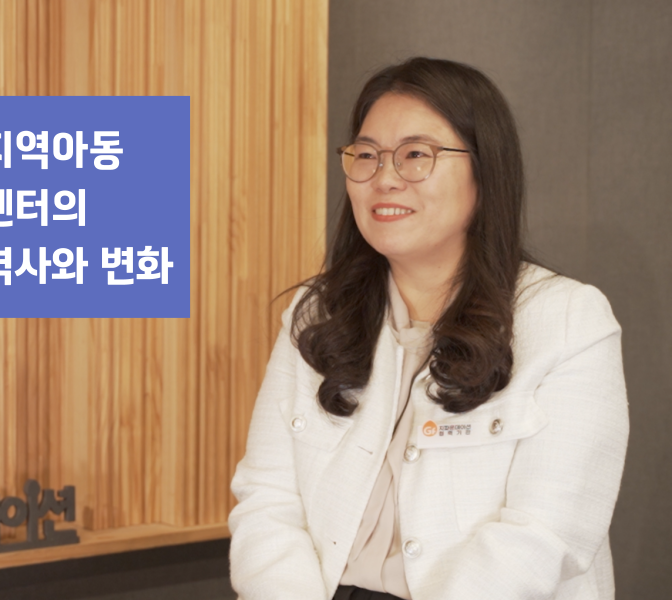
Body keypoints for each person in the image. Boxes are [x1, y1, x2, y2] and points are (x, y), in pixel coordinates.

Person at [228, 57, 629, 600]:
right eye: (366, 155)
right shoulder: (317, 313)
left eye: (416, 154)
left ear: (485, 172)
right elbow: (267, 501)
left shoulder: (567, 320)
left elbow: (543, 536)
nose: (384, 178)